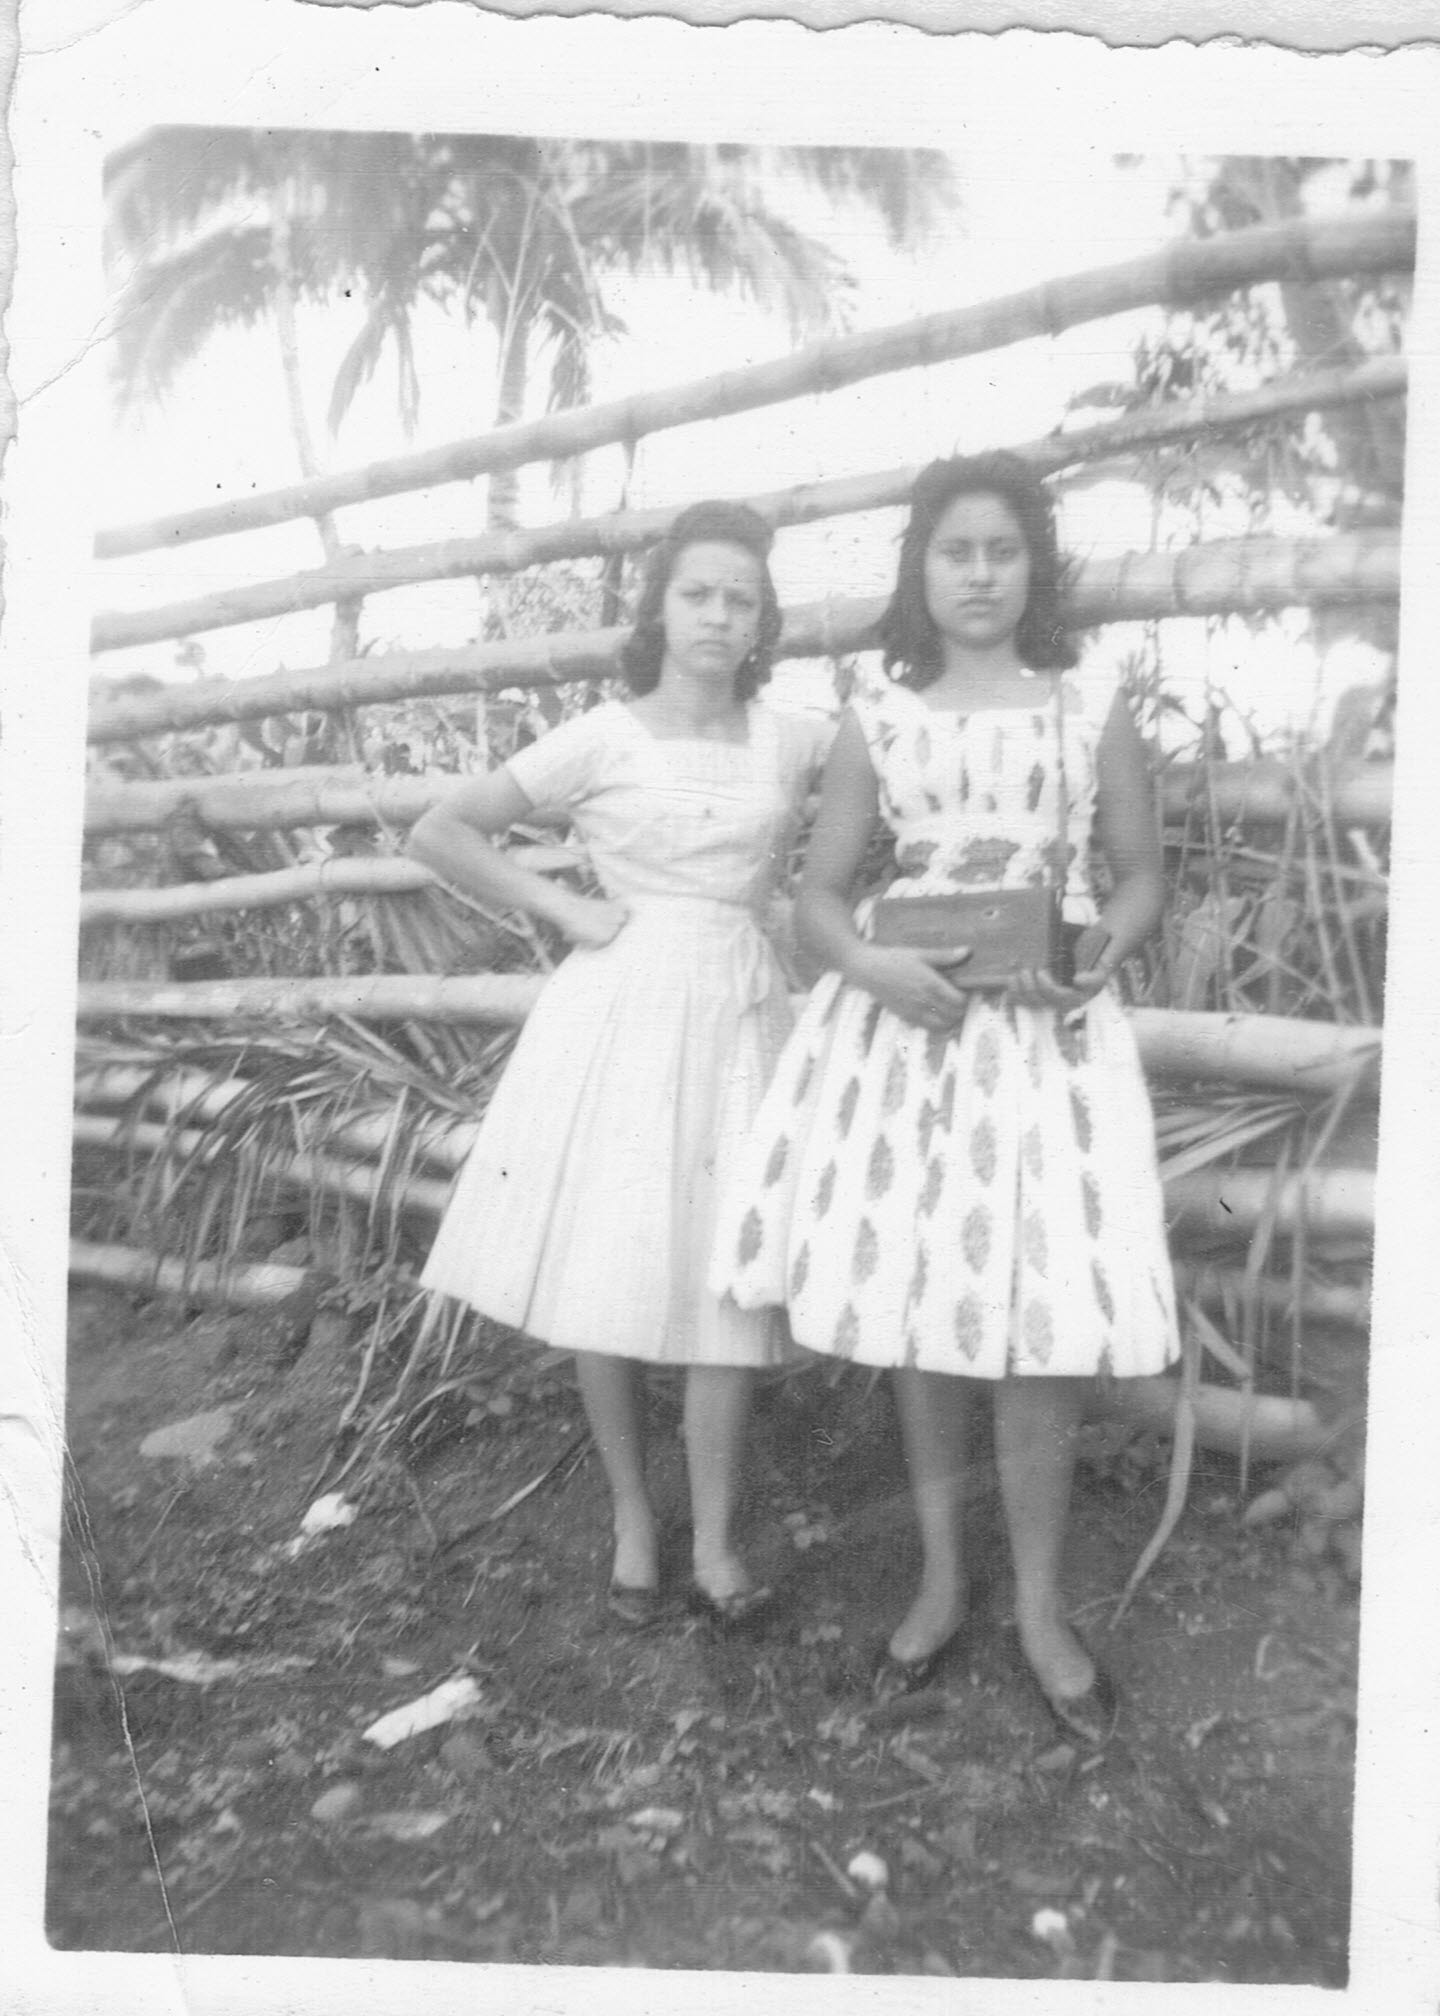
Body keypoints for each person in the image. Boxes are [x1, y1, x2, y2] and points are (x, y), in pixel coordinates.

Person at [714, 453, 1179, 1740]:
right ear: (920, 570)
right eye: (955, 553)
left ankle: (1038, 1606)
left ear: (1035, 568)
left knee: (1038, 1311)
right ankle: (938, 1579)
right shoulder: (881, 713)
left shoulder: (1087, 706)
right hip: (911, 1031)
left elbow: (1140, 872)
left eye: (1003, 552)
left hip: (1046, 1032)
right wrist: (872, 966)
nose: (979, 576)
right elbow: (818, 897)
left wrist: (1096, 957)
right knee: (924, 1305)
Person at [409, 501, 827, 1629]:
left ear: (763, 621)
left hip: (740, 1009)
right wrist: (564, 908)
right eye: (697, 593)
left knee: (726, 1271)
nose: (718, 616)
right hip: (622, 1013)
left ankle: (717, 1538)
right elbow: (442, 829)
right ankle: (635, 1519)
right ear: (660, 608)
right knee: (612, 1266)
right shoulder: (603, 735)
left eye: (740, 599)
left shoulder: (792, 738)